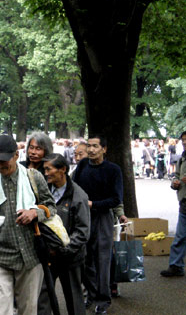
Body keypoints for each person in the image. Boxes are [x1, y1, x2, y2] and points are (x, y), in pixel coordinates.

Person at [0, 135, 57, 315]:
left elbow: (51, 206)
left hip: (30, 254)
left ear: (16, 156)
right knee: (0, 309)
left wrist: (35, 212)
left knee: (28, 309)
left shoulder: (33, 177)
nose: (0, 166)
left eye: (4, 161)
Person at [73, 135, 123, 315]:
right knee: (84, 258)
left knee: (102, 260)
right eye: (89, 146)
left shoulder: (113, 170)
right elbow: (73, 187)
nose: (92, 150)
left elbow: (116, 198)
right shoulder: (82, 166)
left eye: (95, 146)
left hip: (103, 218)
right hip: (83, 218)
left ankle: (103, 299)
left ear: (104, 149)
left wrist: (94, 204)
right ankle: (92, 295)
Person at [43, 153, 90, 315]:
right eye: (45, 169)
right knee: (43, 298)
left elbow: (83, 232)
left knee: (74, 299)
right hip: (47, 256)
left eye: (49, 169)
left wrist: (63, 250)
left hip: (71, 258)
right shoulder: (44, 191)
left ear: (62, 169)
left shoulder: (78, 196)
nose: (46, 173)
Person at [161, 131, 186, 277]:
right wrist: (174, 183)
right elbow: (176, 175)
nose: (184, 142)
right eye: (183, 140)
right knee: (181, 235)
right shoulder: (181, 158)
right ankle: (176, 265)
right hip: (184, 201)